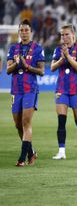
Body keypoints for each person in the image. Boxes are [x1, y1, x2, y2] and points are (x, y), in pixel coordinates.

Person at [6, 19, 45, 166]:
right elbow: (8, 70)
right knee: (17, 125)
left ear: (31, 32)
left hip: (30, 89)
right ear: (19, 32)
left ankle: (22, 158)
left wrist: (27, 66)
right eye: (21, 30)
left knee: (26, 122)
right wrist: (17, 64)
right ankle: (32, 152)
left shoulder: (37, 48)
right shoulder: (13, 48)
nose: (24, 33)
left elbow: (41, 71)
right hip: (16, 90)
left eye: (26, 30)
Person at [51, 24, 77, 160]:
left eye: (66, 34)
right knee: (61, 121)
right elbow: (52, 67)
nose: (64, 37)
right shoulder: (58, 50)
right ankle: (61, 151)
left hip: (76, 89)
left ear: (73, 35)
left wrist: (68, 56)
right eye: (62, 35)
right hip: (61, 89)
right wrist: (62, 59)